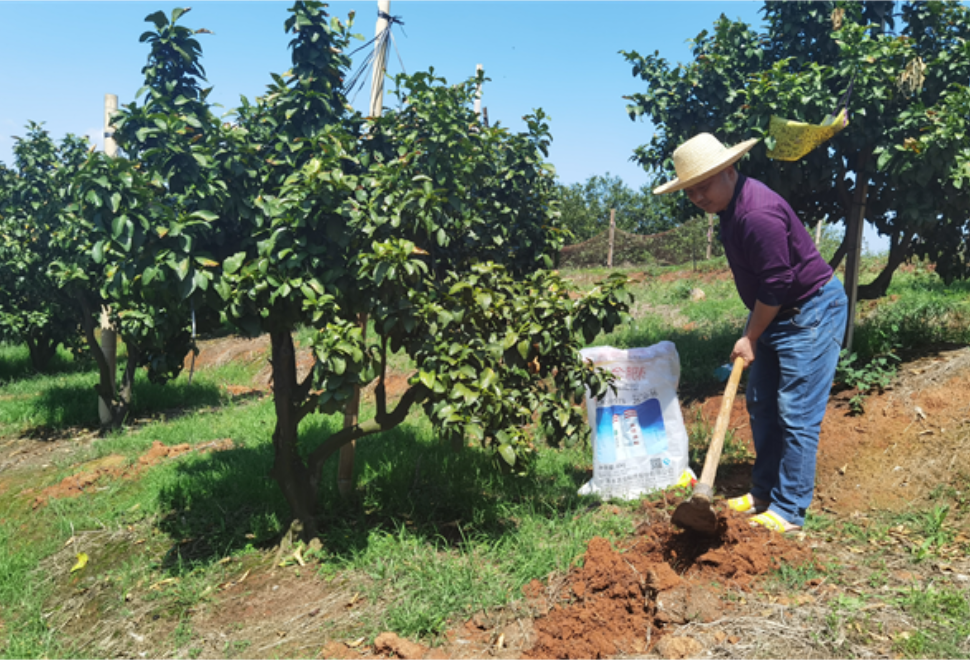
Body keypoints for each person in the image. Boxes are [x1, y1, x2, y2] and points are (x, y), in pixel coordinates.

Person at [653, 133, 848, 534]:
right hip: (776, 312)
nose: (697, 197)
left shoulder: (756, 212)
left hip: (810, 311)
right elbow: (766, 284)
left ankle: (789, 510)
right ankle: (764, 493)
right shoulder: (730, 209)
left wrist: (751, 337)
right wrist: (754, 330)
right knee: (760, 402)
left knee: (796, 413)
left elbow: (777, 282)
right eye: (689, 191)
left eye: (702, 186)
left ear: (728, 170)